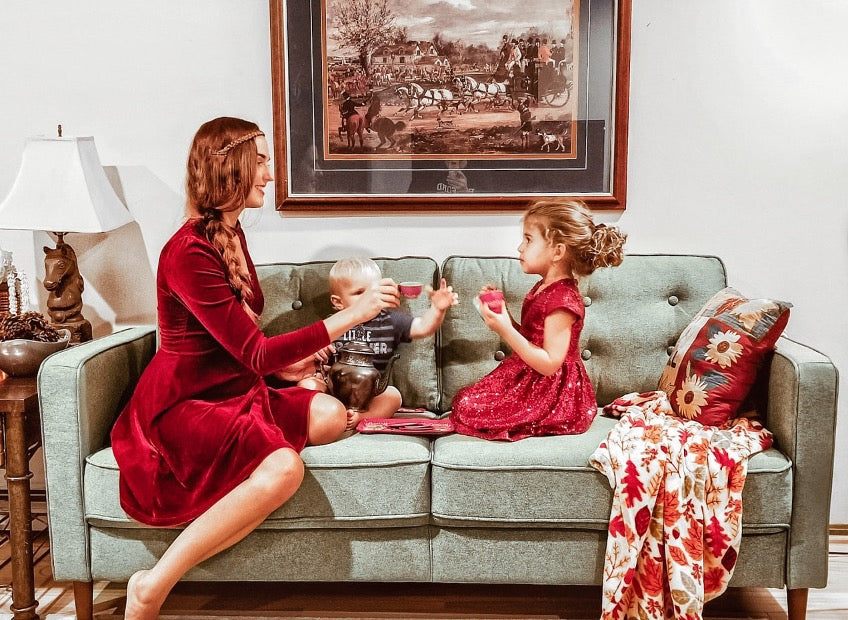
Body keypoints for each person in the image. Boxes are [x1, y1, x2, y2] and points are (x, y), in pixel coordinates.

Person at [110, 117, 400, 620]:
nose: (270, 174)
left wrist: (285, 369)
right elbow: (255, 352)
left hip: (233, 387)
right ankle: (152, 586)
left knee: (331, 416)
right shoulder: (188, 252)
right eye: (262, 160)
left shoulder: (231, 232)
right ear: (231, 168)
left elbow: (241, 346)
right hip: (185, 402)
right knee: (285, 467)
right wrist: (354, 313)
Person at [449, 199, 626, 441]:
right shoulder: (544, 287)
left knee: (470, 407)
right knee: (464, 400)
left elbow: (550, 363)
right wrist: (505, 317)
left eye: (529, 240)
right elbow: (533, 338)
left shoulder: (563, 300)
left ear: (558, 251)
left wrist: (504, 330)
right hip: (530, 376)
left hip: (552, 391)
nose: (520, 247)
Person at [302, 257, 458, 429]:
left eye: (373, 292)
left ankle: (362, 417)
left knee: (393, 395)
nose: (370, 298)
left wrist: (438, 309)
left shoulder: (390, 321)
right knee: (307, 385)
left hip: (371, 393)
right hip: (333, 390)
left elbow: (423, 327)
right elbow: (304, 350)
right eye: (360, 293)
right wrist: (316, 351)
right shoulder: (333, 324)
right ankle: (325, 419)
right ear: (338, 302)